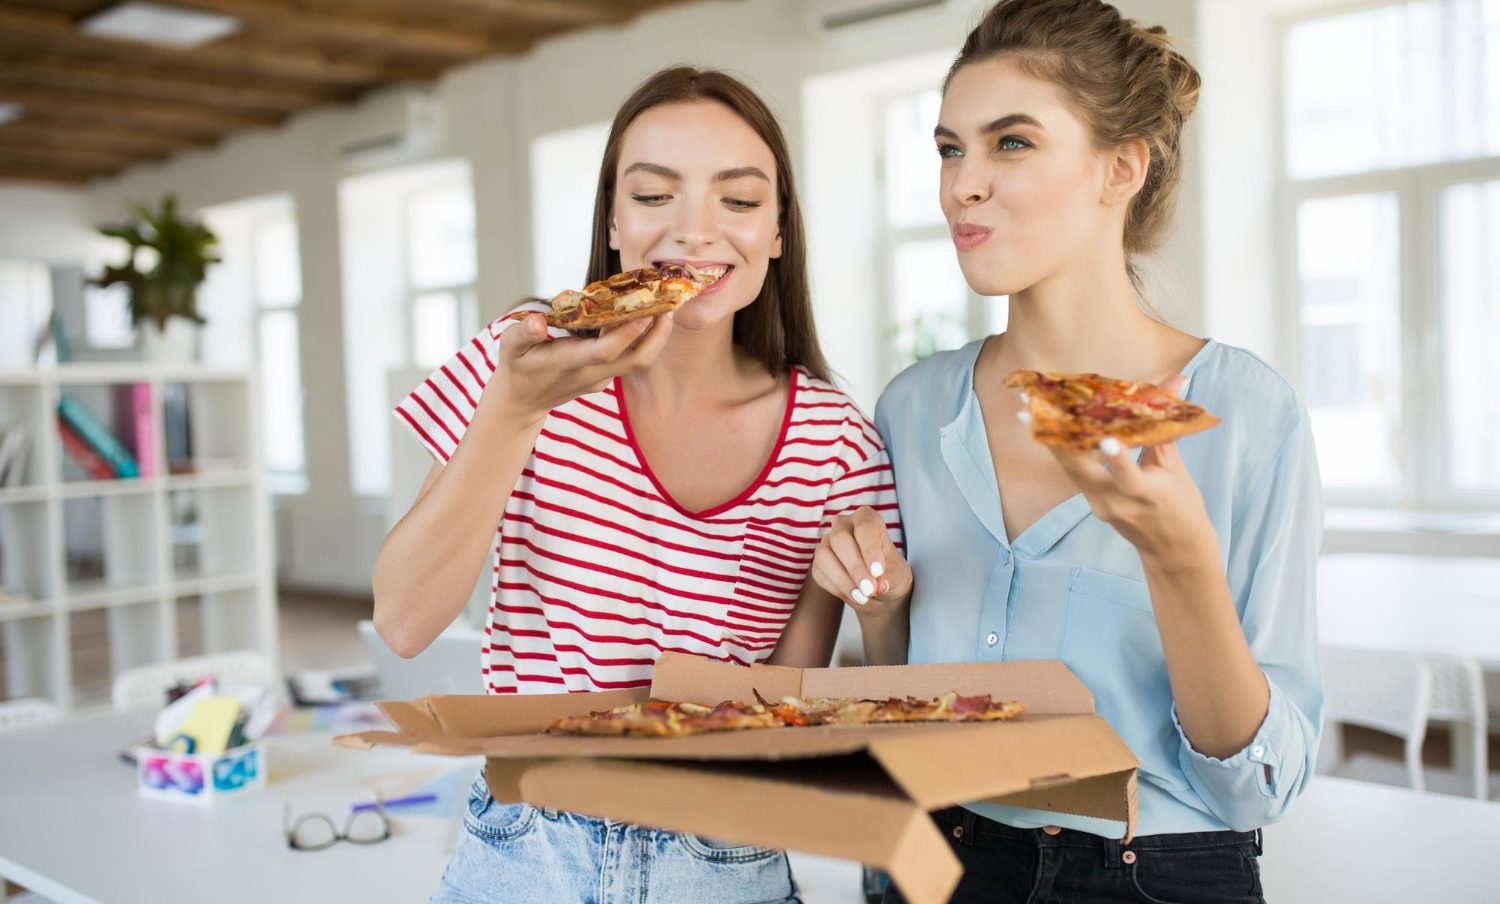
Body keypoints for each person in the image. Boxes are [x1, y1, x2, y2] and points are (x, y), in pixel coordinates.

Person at [812, 2, 1322, 901]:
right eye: (948, 148)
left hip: (1151, 874)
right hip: (929, 858)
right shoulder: (912, 409)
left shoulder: (1246, 415)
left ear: (1120, 168)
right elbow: (897, 711)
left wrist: (1180, 559)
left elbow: (1258, 785)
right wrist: (881, 614)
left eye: (1010, 143)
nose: (962, 184)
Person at [372, 66, 901, 904]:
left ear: (777, 232)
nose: (696, 231)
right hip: (527, 844)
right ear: (614, 221)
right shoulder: (524, 359)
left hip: (726, 854)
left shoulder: (833, 440)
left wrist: (876, 602)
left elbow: (790, 720)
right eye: (655, 195)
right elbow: (401, 622)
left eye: (738, 200)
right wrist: (513, 410)